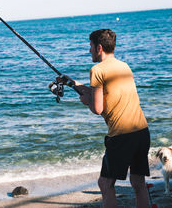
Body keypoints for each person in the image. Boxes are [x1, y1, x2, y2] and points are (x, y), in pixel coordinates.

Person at [60, 29, 150, 208]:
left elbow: (97, 107)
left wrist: (86, 101)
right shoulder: (123, 66)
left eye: (91, 46)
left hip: (121, 136)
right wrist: (72, 83)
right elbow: (107, 94)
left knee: (105, 183)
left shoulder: (97, 70)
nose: (89, 50)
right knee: (138, 182)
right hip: (141, 132)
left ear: (99, 47)